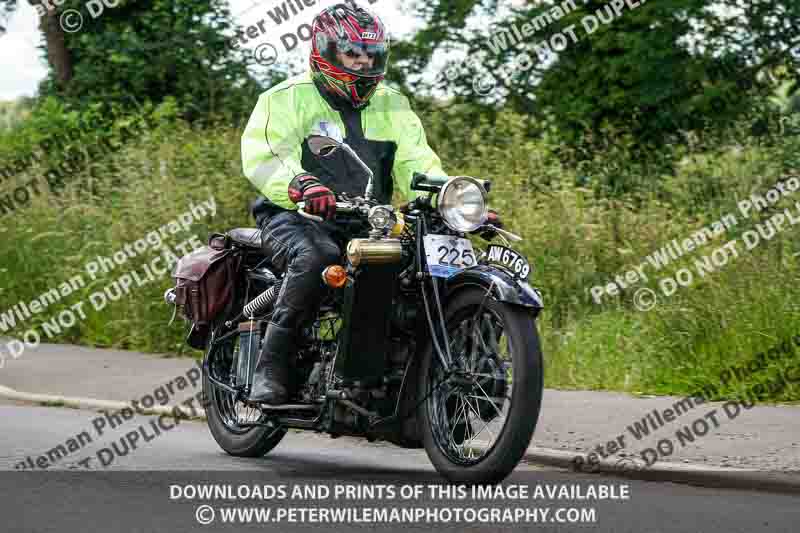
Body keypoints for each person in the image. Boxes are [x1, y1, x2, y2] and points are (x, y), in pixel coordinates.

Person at [241, 1, 499, 404]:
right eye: (352, 53)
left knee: (424, 272)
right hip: (294, 215)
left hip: (369, 222)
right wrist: (302, 185)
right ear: (324, 50)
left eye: (371, 54)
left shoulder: (392, 103)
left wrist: (456, 200)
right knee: (316, 258)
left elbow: (418, 163)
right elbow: (266, 154)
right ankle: (269, 368)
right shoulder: (286, 97)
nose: (363, 63)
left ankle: (414, 383)